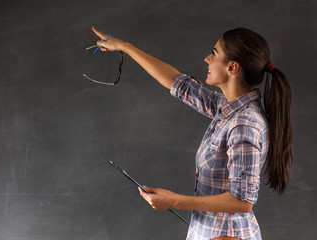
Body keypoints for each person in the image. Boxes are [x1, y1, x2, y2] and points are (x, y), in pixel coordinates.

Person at [91, 26, 293, 240]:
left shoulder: (245, 123)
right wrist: (125, 47)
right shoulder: (227, 109)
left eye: (214, 53)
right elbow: (177, 82)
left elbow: (242, 202)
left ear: (232, 67)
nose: (207, 58)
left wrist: (174, 200)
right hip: (210, 232)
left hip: (227, 234)